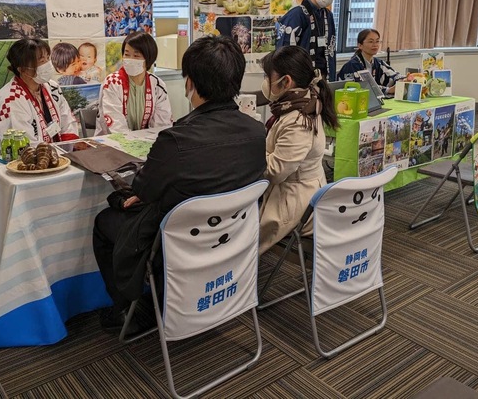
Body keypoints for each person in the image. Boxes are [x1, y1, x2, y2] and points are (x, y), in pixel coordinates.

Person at [93, 35, 267, 331]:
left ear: (189, 84)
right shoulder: (257, 131)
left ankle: (123, 309)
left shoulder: (176, 140)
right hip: (231, 239)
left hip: (176, 239)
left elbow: (144, 189)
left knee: (104, 221)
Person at [258, 46, 340, 254]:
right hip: (304, 189)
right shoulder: (306, 101)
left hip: (294, 200)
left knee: (234, 237)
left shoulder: (298, 120)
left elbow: (275, 172)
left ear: (286, 81)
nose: (265, 82)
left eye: (268, 76)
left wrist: (251, 151)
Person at [0, 39, 78, 152]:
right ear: (23, 69)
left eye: (47, 58)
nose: (48, 64)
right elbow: (25, 144)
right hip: (18, 160)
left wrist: (69, 147)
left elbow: (66, 119)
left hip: (55, 153)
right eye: (41, 61)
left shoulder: (51, 87)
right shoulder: (10, 100)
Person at [97, 31, 172, 134]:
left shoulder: (158, 85)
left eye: (136, 56)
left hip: (148, 143)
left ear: (149, 58)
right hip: (115, 143)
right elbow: (116, 127)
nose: (130, 60)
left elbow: (162, 124)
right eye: (127, 54)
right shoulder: (112, 83)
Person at [276, 0, 338, 80]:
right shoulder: (297, 14)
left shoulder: (328, 15)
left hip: (323, 77)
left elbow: (331, 48)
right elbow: (284, 52)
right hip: (301, 78)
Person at [338, 28, 403, 95]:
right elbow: (362, 87)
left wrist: (402, 81)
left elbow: (395, 75)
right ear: (360, 45)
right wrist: (388, 90)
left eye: (377, 41)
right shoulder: (352, 65)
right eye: (371, 42)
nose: (375, 45)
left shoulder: (379, 63)